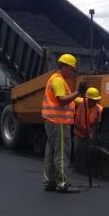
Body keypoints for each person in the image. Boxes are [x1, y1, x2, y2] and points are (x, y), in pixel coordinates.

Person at [42, 53, 86, 193]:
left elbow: (66, 99)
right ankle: (62, 184)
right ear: (65, 66)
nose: (72, 72)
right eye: (72, 69)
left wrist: (81, 99)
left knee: (51, 153)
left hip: (52, 121)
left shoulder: (56, 79)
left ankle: (50, 181)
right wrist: (79, 92)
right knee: (61, 153)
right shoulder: (58, 81)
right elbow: (62, 100)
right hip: (59, 122)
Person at [73, 87, 103, 174]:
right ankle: (77, 168)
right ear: (88, 99)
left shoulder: (99, 109)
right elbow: (70, 98)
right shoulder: (80, 102)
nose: (94, 102)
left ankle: (85, 169)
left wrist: (92, 135)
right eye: (92, 100)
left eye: (96, 100)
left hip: (88, 134)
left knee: (87, 151)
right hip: (78, 132)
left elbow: (96, 125)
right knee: (77, 150)